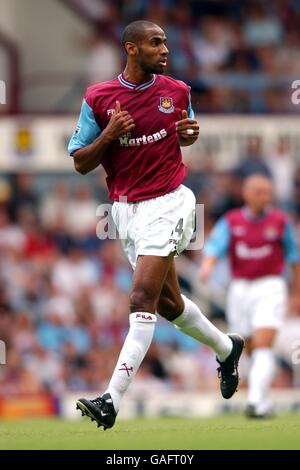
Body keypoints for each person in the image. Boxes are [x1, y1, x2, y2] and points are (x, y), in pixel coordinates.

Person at [68, 20, 244, 430]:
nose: (165, 49)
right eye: (155, 42)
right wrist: (109, 134)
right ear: (131, 49)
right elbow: (80, 162)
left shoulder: (177, 90)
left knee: (141, 298)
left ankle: (111, 398)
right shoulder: (98, 98)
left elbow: (186, 132)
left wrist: (189, 135)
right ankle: (226, 347)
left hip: (169, 203)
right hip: (125, 211)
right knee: (169, 305)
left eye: (164, 41)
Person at [199, 174, 300, 418]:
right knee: (251, 348)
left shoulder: (280, 222)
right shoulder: (232, 221)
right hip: (240, 290)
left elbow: (294, 258)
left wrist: (296, 293)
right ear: (245, 193)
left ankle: (254, 401)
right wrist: (208, 265)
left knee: (264, 343)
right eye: (258, 191)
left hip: (270, 286)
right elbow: (215, 246)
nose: (263, 197)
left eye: (266, 192)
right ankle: (262, 402)